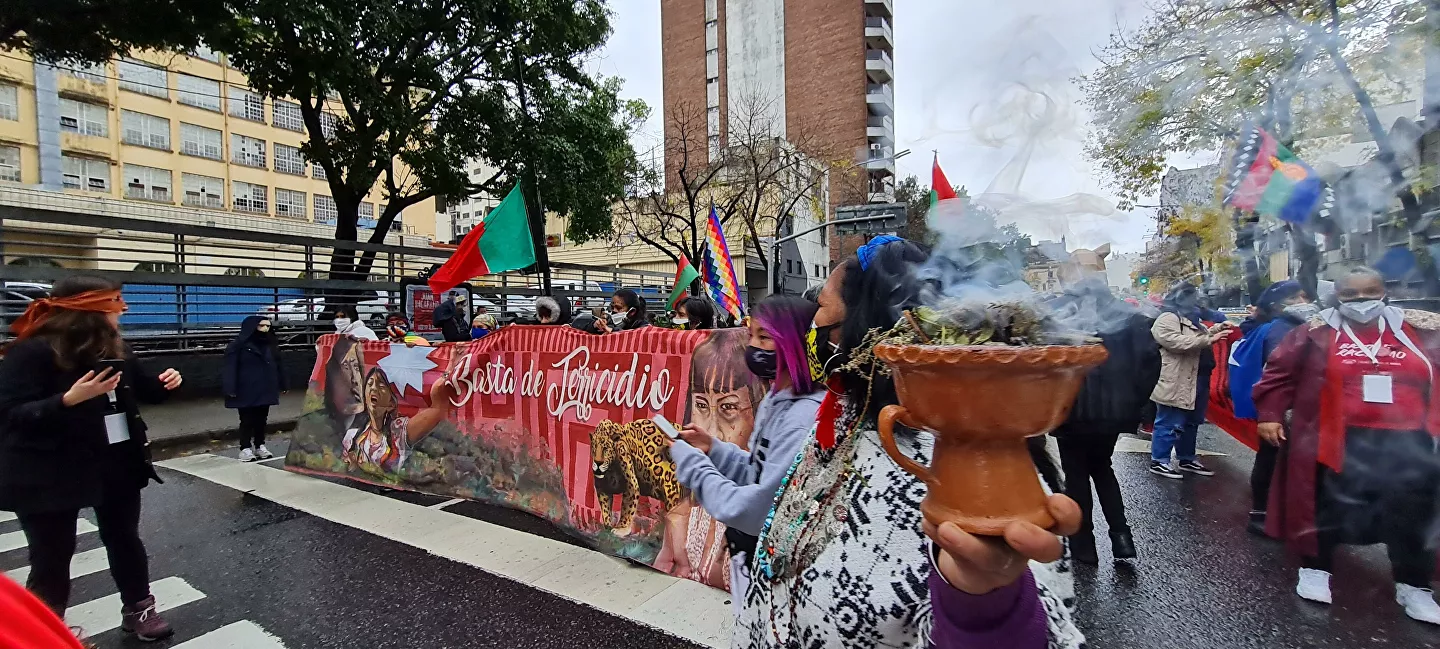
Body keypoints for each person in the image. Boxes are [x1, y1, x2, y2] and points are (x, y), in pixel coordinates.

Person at [737, 236, 1085, 649]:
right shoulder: (848, 418)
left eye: (821, 311)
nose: (813, 326)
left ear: (861, 330)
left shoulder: (960, 468)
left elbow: (1027, 623)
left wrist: (981, 606)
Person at [0, 276, 184, 641]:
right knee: (51, 554)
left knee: (124, 538)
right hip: (49, 468)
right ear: (88, 312)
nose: (123, 312)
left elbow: (144, 391)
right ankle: (44, 635)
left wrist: (167, 383)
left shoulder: (115, 347)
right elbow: (10, 414)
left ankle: (139, 608)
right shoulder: (34, 352)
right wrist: (68, 399)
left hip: (115, 461)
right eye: (115, 305)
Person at [1253, 267, 1440, 623]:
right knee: (1325, 506)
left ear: (1384, 292)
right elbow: (1278, 373)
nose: (1361, 302)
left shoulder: (1420, 330)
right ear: (1337, 296)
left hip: (1408, 441)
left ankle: (1414, 585)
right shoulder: (1314, 332)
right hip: (1332, 438)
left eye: (1369, 293)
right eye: (1351, 295)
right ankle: (1315, 570)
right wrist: (1270, 414)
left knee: (1412, 513)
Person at [671, 295, 823, 615]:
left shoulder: (801, 418)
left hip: (780, 568)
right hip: (757, 559)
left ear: (796, 343)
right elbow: (760, 469)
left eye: (765, 337)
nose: (752, 345)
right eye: (750, 333)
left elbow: (759, 511)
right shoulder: (778, 397)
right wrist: (714, 450)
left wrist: (696, 467)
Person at [1048, 277, 1159, 564]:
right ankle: (1122, 538)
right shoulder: (1130, 316)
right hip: (1115, 410)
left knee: (1076, 476)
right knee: (1102, 467)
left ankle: (1084, 546)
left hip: (1071, 409)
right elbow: (1150, 363)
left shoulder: (1060, 315)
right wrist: (1135, 402)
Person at [1227, 280, 1312, 535]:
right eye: (1298, 297)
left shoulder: (1293, 326)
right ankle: (1262, 514)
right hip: (1286, 409)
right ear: (1280, 304)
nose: (1304, 301)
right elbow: (1277, 372)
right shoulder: (1281, 330)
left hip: (1296, 409)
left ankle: (1278, 513)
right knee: (1272, 459)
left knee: (1279, 460)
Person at [1148, 281, 1232, 479]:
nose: (1196, 300)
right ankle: (1159, 460)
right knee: (1169, 421)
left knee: (1192, 422)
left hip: (1197, 377)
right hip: (1176, 378)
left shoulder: (1191, 318)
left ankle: (1186, 458)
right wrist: (1208, 339)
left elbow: (1198, 336)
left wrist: (1217, 329)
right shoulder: (1168, 318)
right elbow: (1175, 341)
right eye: (1192, 296)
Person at [223, 316, 285, 462]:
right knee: (246, 419)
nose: (265, 329)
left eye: (268, 326)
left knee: (262, 419)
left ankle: (260, 445)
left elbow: (279, 365)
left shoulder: (270, 345)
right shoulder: (237, 346)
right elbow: (230, 368)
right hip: (246, 388)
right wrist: (230, 387)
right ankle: (245, 448)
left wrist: (283, 383)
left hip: (265, 387)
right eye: (261, 326)